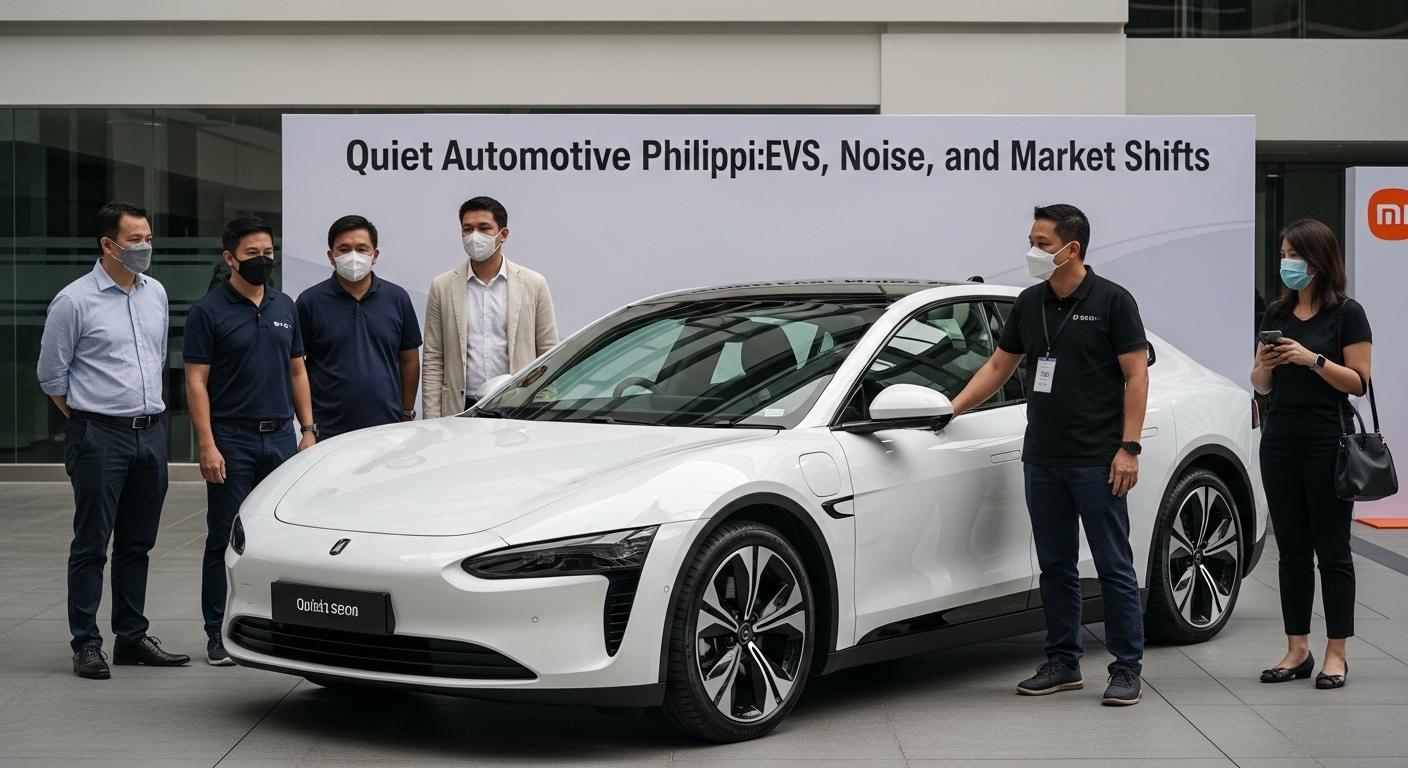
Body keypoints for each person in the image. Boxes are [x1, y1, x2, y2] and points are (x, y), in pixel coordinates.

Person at [948, 204, 1149, 706]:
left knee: (1112, 565)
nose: (1032, 251)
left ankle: (1126, 668)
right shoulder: (1030, 302)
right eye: (1031, 241)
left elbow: (1136, 376)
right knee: (1055, 565)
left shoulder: (1112, 300)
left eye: (1042, 244)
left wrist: (1129, 447)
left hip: (1098, 458)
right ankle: (1063, 661)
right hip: (1042, 457)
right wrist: (950, 409)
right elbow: (998, 367)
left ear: (1071, 249)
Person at [37, 201, 191, 679]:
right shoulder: (74, 301)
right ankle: (86, 643)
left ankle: (131, 637)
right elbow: (52, 376)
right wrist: (91, 417)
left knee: (137, 543)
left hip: (150, 434)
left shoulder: (155, 292)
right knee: (91, 544)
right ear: (108, 245)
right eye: (134, 240)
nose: (145, 247)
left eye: (148, 239)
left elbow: (156, 357)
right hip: (99, 435)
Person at [184, 214, 316, 666]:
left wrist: (308, 430)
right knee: (224, 537)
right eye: (252, 254)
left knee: (282, 537)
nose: (262, 260)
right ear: (230, 258)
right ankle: (216, 632)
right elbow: (196, 382)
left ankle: (279, 628)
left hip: (280, 437)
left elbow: (297, 371)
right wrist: (207, 444)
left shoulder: (284, 305)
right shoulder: (207, 311)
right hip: (231, 439)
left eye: (268, 253)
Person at [1252, 218, 1371, 690]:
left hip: (1329, 440)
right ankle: (1296, 648)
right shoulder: (1276, 313)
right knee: (1292, 551)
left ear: (1318, 261)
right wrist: (1264, 367)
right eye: (1282, 255)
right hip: (1280, 438)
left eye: (1294, 255)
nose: (1286, 263)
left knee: (1333, 549)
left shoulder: (1347, 314)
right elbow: (1261, 385)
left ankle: (1336, 652)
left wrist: (1313, 359)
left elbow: (1358, 382)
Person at [422, 196, 559, 417]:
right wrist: (432, 418)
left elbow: (549, 352)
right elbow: (433, 358)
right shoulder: (443, 286)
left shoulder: (533, 283)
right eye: (468, 229)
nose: (474, 236)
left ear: (503, 234)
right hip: (462, 407)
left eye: (484, 228)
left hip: (520, 406)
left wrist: (543, 410)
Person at [296, 215, 422, 438]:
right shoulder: (309, 302)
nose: (353, 256)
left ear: (375, 255)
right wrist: (308, 427)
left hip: (388, 427)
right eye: (344, 249)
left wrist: (406, 412)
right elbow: (297, 368)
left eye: (362, 249)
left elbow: (409, 360)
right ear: (331, 256)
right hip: (329, 430)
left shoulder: (397, 298)